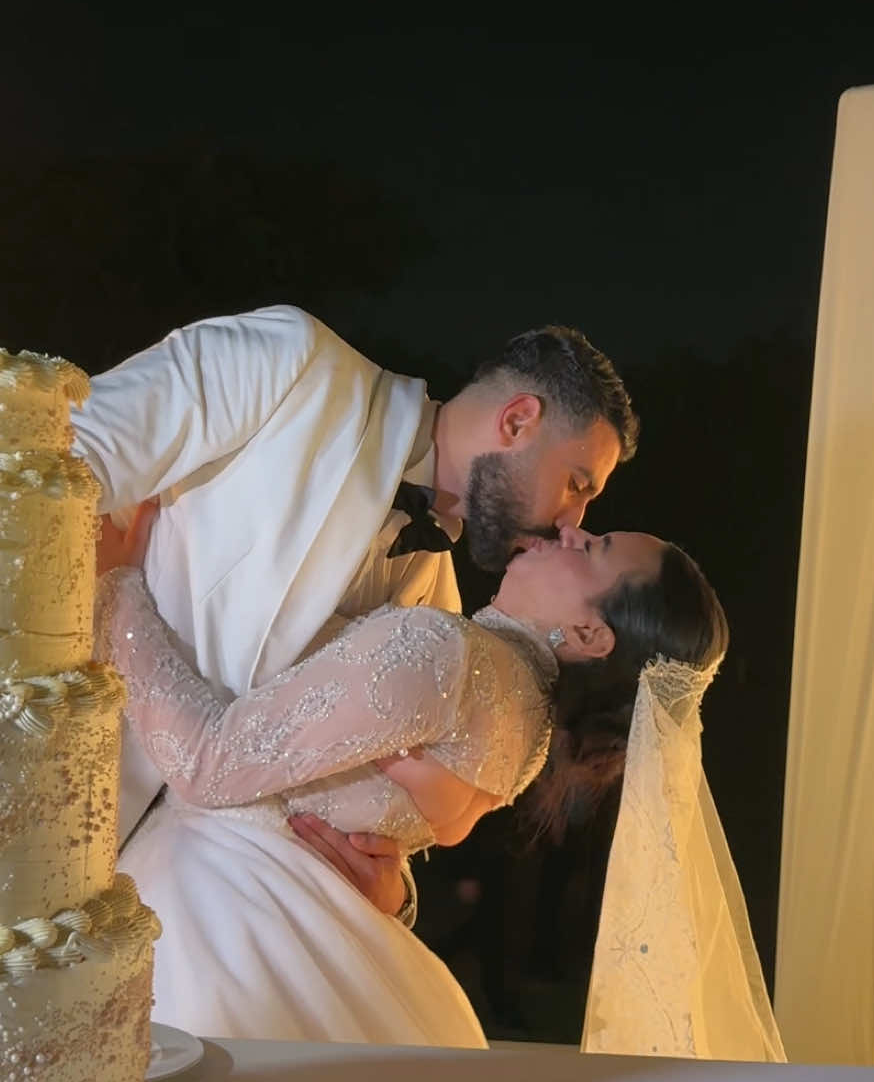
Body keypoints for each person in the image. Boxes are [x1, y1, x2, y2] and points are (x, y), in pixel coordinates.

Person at [72, 306, 638, 927]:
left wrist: (392, 898)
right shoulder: (292, 363)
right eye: (577, 484)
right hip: (31, 786)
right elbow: (55, 464)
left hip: (175, 923)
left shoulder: (439, 614)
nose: (571, 524)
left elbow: (375, 812)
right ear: (519, 420)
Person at [97, 511, 731, 1048]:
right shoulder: (532, 735)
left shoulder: (443, 651)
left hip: (214, 921)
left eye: (592, 550)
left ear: (592, 633)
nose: (569, 529)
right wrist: (396, 898)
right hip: (311, 934)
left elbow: (210, 762)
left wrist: (118, 588)